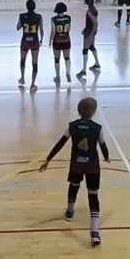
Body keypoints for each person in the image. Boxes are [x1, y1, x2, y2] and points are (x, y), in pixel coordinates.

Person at [38, 96, 111, 247]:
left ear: (79, 111)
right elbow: (102, 145)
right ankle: (95, 232)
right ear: (94, 111)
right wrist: (107, 157)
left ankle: (70, 211)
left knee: (73, 186)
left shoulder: (72, 126)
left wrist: (48, 159)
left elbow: (60, 143)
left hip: (76, 165)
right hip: (92, 167)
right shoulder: (97, 128)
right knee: (93, 196)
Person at [18, 0, 44, 91]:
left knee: (23, 60)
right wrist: (41, 39)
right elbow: (41, 30)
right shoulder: (39, 17)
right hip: (35, 41)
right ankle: (33, 84)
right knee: (35, 62)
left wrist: (22, 22)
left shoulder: (22, 16)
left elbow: (18, 27)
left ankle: (22, 78)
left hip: (25, 41)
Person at [76, 0, 100, 79]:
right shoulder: (94, 9)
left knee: (85, 49)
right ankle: (97, 64)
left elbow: (94, 22)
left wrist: (90, 32)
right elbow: (96, 22)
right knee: (92, 46)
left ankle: (84, 70)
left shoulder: (89, 11)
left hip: (89, 31)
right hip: (91, 30)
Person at [50, 2, 72, 86]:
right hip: (66, 39)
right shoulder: (68, 18)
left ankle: (58, 76)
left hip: (57, 40)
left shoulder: (53, 19)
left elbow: (53, 31)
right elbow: (69, 28)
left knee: (57, 59)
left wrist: (50, 40)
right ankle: (68, 73)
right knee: (67, 58)